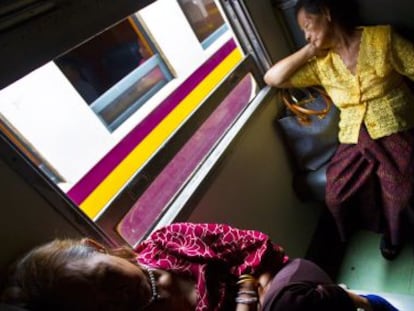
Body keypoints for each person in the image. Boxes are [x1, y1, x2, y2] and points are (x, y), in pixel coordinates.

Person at [264, 0, 414, 260]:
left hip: (394, 126)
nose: (307, 35)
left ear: (326, 12)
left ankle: (395, 234)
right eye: (303, 33)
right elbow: (273, 78)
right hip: (355, 135)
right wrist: (310, 49)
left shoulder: (383, 39)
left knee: (401, 192)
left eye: (308, 27)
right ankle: (378, 227)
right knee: (336, 195)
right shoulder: (321, 63)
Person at [1, 222, 398, 311]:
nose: (117, 294)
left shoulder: (168, 241)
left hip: (280, 281)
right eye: (102, 305)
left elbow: (256, 252)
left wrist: (248, 298)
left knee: (288, 307)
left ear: (97, 248)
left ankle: (364, 302)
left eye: (106, 276)